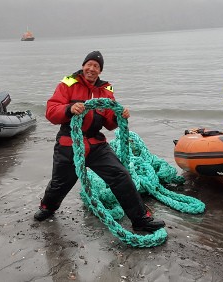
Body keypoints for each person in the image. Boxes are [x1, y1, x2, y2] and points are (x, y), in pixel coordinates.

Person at [34, 51, 165, 232]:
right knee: (60, 183)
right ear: (83, 66)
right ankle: (47, 207)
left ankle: (141, 218)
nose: (92, 68)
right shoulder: (68, 84)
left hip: (96, 144)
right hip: (70, 142)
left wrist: (120, 116)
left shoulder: (106, 90)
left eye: (96, 66)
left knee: (121, 175)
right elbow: (51, 112)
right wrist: (70, 108)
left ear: (100, 71)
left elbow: (109, 122)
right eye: (89, 64)